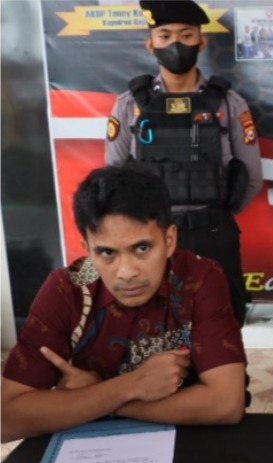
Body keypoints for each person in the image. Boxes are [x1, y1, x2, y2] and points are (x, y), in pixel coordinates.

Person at [1, 167, 247, 443]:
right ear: (87, 248)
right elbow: (7, 420)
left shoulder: (200, 278)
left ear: (169, 240)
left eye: (142, 248)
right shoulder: (65, 290)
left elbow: (226, 404)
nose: (126, 272)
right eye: (107, 252)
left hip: (188, 440)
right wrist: (131, 386)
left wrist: (101, 399)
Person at [105, 0, 263, 325]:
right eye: (165, 36)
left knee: (222, 324)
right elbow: (114, 177)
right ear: (150, 44)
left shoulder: (228, 103)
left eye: (186, 35)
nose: (175, 44)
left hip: (212, 232)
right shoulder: (129, 105)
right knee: (155, 324)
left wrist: (214, 214)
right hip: (150, 237)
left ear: (201, 42)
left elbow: (250, 177)